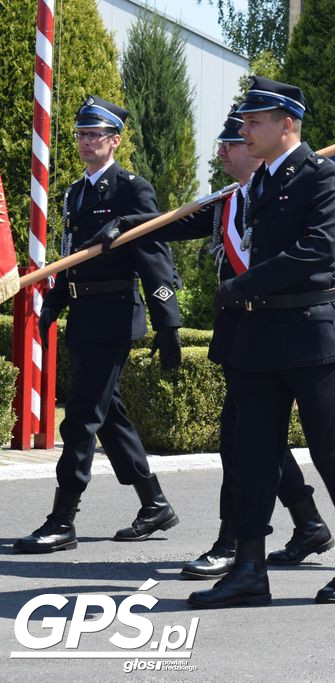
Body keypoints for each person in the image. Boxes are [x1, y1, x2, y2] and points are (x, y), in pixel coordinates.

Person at [92, 107, 335, 579]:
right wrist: (126, 225)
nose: (225, 150)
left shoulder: (276, 194)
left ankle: (232, 542)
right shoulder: (231, 200)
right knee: (253, 438)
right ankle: (307, 524)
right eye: (226, 141)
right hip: (240, 335)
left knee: (242, 442)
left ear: (258, 149)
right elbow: (174, 224)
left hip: (279, 332)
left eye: (235, 142)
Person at [187, 77, 335, 608]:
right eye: (244, 122)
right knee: (250, 455)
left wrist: (242, 285)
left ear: (286, 124)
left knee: (332, 450)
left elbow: (318, 253)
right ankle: (249, 567)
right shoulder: (254, 185)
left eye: (255, 122)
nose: (244, 131)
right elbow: (201, 222)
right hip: (256, 338)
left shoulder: (325, 178)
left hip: (310, 333)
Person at [13, 96, 183, 554]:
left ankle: (62, 520)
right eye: (81, 135)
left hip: (114, 315)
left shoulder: (131, 189)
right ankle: (154, 504)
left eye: (95, 135)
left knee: (81, 418)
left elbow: (155, 252)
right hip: (84, 313)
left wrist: (168, 321)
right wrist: (53, 298)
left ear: (115, 141)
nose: (87, 142)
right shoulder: (75, 192)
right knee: (107, 415)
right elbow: (71, 252)